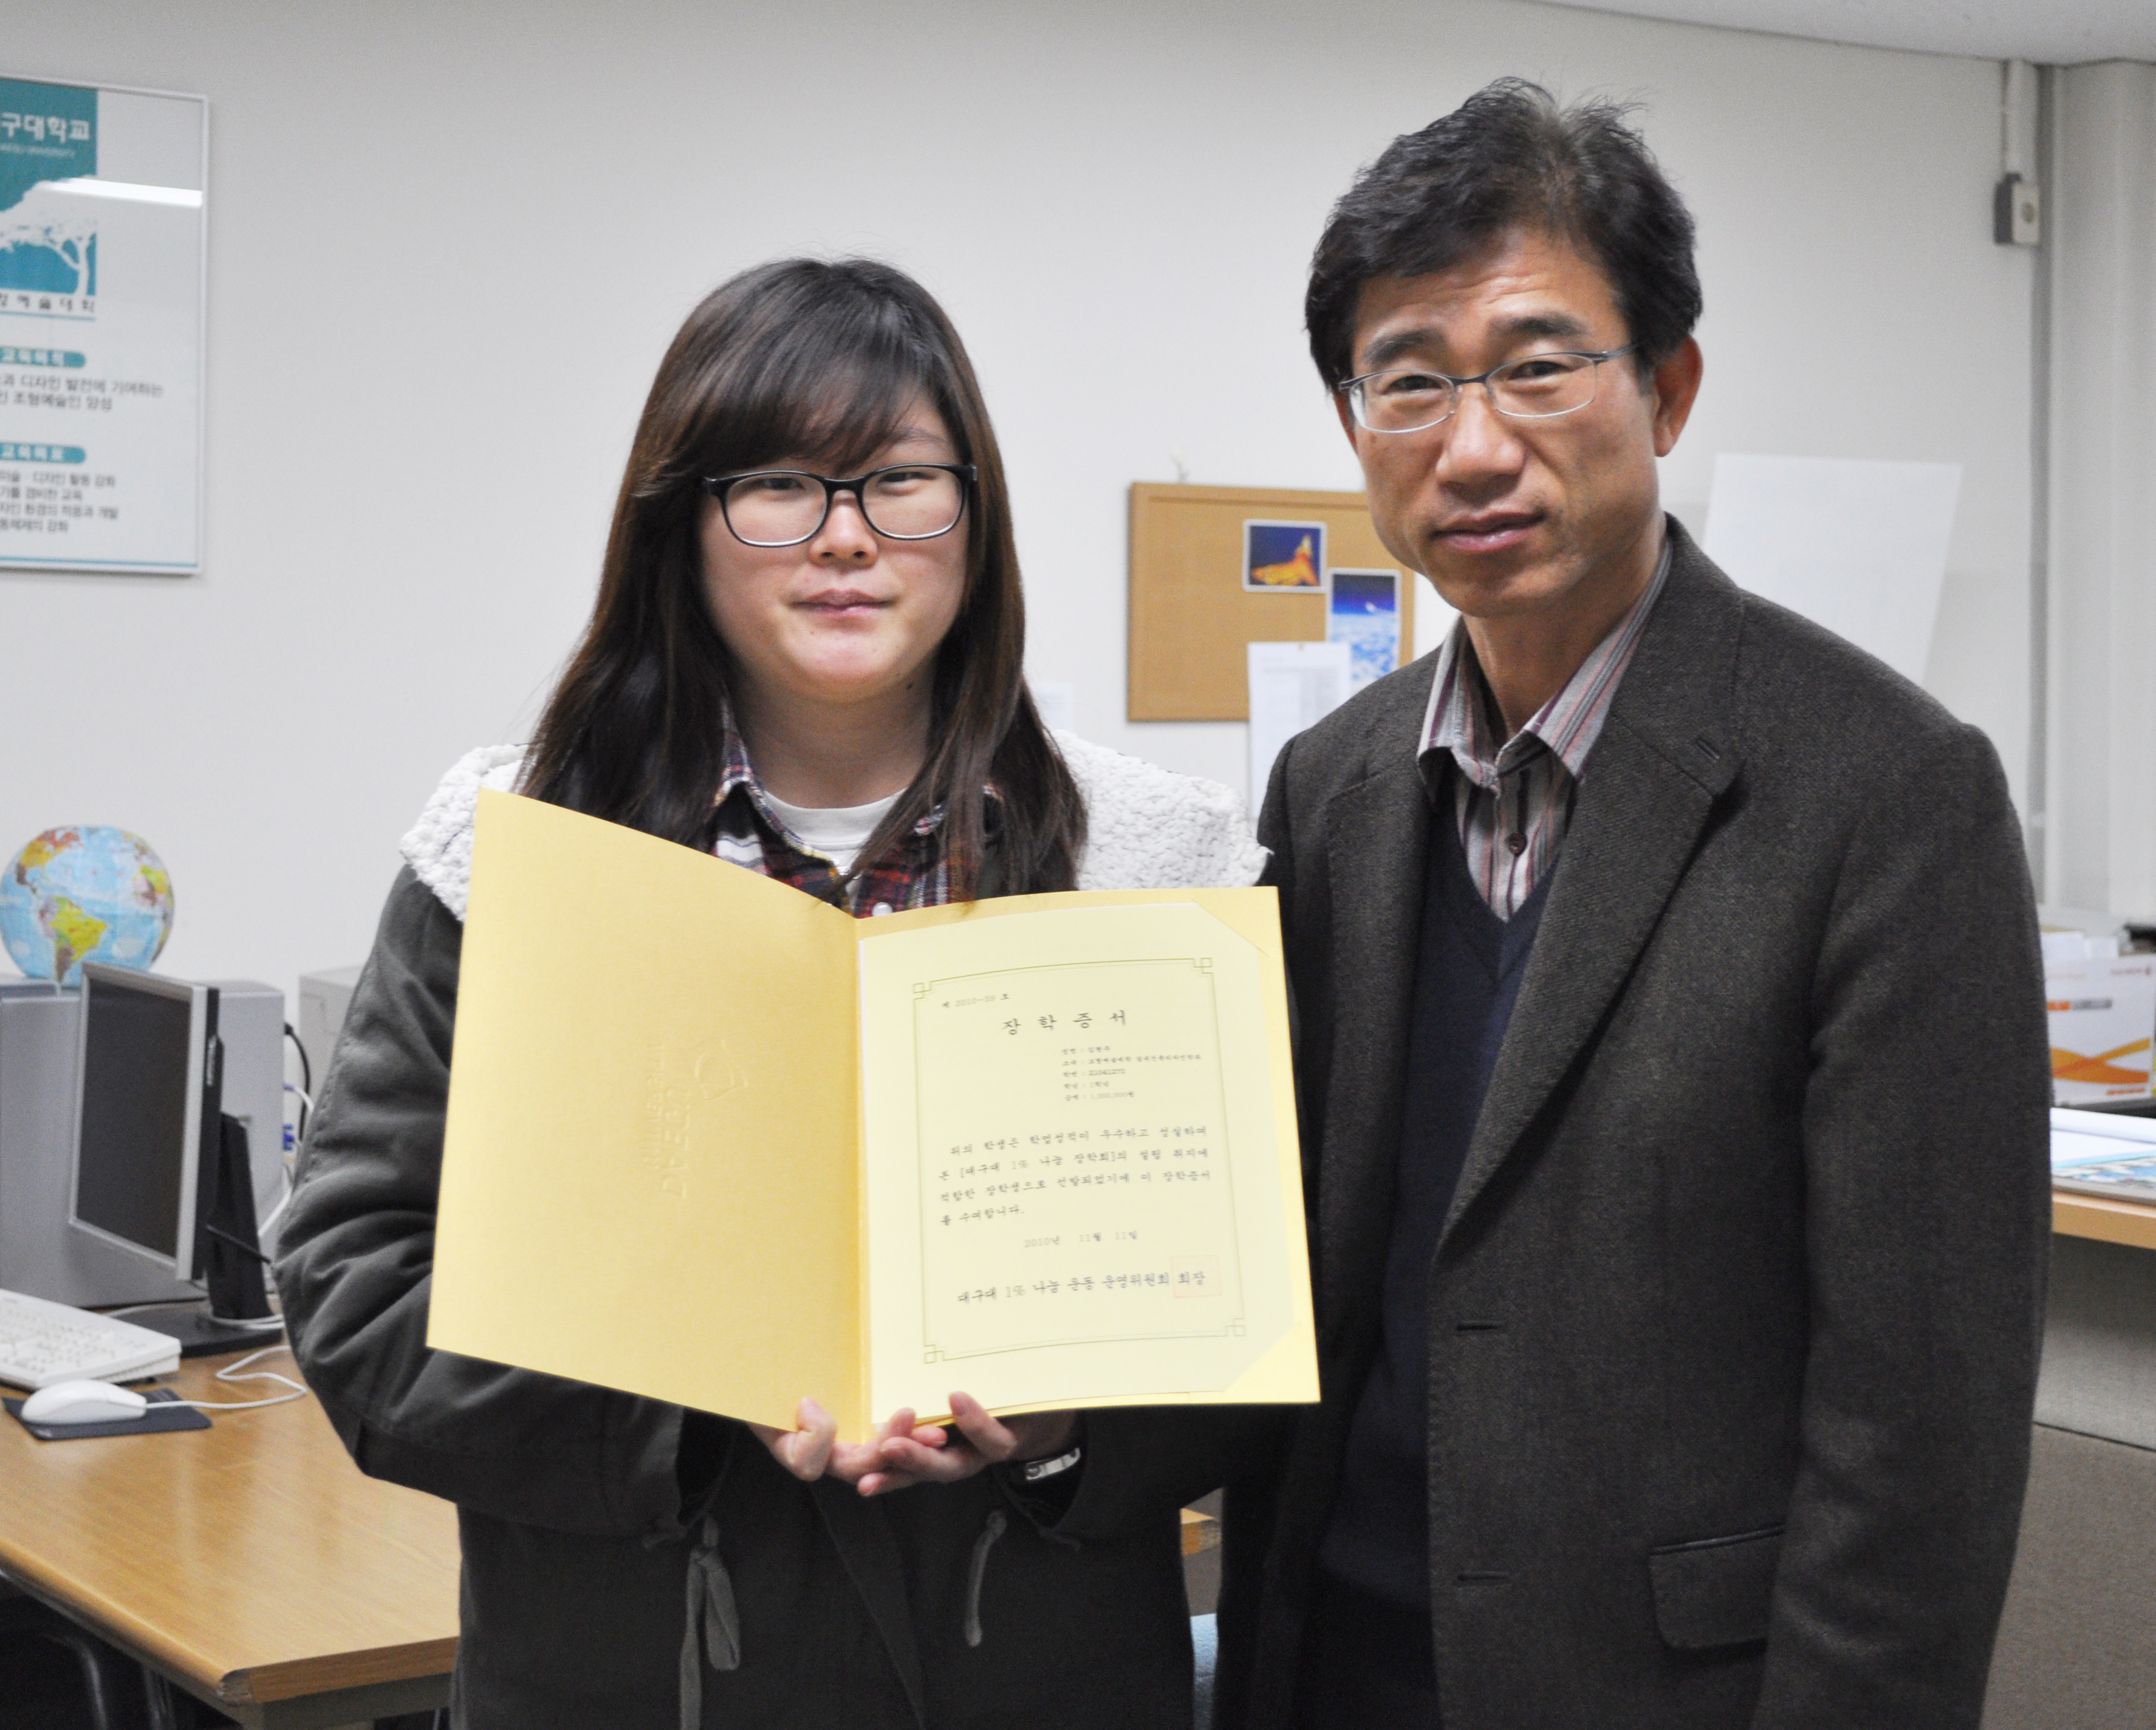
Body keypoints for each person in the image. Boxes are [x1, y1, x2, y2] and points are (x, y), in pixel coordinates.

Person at [275, 258, 1265, 1730]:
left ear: (974, 517)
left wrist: (1064, 1427)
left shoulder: (1149, 862)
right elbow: (356, 1289)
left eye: (899, 482)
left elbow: (1259, 1322)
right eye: (779, 486)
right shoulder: (524, 855)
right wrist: (681, 1405)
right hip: (623, 1679)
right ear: (681, 522)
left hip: (1030, 1676)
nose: (845, 537)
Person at [1217, 81, 2050, 1728]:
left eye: (1537, 366)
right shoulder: (1333, 786)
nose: (1473, 446)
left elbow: (1920, 1435)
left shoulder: (1887, 794)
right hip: (1332, 1662)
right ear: (1353, 423)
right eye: (1410, 382)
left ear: (1666, 390)